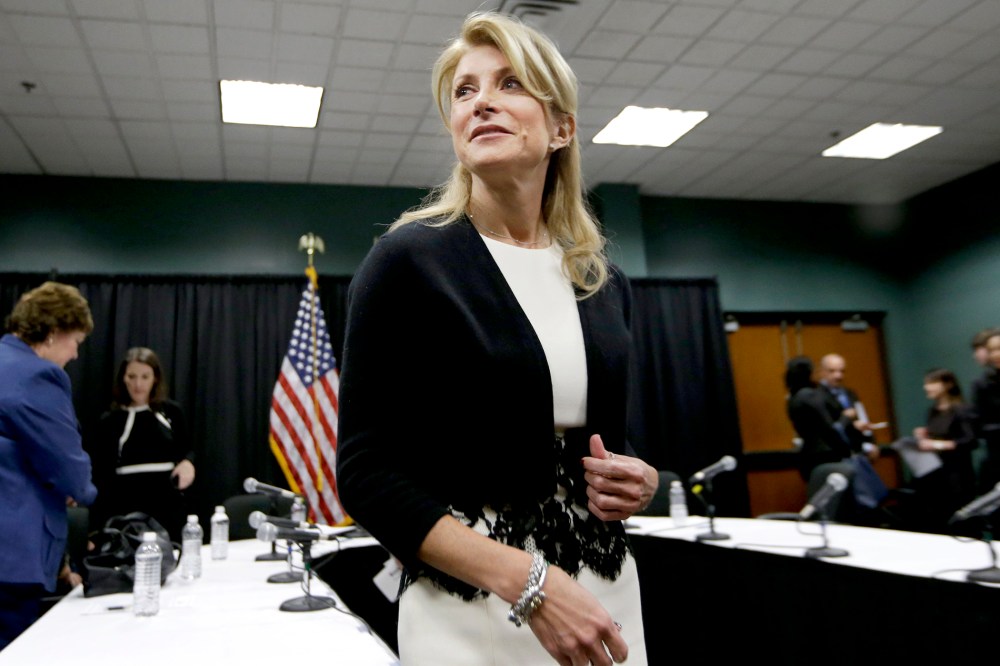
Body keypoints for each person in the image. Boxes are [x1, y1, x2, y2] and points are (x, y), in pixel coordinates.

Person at [336, 12, 656, 665]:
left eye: (510, 84)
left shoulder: (603, 282)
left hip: (604, 592)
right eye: (464, 91)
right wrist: (530, 584)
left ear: (561, 128)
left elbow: (603, 443)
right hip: (475, 605)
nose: (481, 100)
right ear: (455, 130)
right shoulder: (406, 262)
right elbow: (366, 475)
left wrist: (639, 479)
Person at [0, 282, 97, 650]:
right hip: (11, 554)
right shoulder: (37, 375)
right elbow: (69, 468)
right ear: (54, 333)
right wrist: (80, 491)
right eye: (76, 341)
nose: (74, 354)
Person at [88, 347, 195, 542]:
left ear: (155, 378)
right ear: (123, 378)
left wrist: (188, 463)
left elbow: (187, 450)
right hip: (125, 508)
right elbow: (100, 474)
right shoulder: (110, 420)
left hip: (167, 505)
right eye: (132, 376)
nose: (138, 384)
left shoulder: (172, 412)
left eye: (145, 377)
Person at [894, 369, 977, 534]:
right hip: (935, 476)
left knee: (959, 525)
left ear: (947, 385)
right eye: (926, 383)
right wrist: (925, 434)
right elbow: (940, 435)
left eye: (931, 383)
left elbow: (969, 441)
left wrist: (936, 444)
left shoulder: (961, 410)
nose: (926, 387)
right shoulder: (932, 411)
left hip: (956, 478)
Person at [816, 353, 880, 463]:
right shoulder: (817, 396)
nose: (838, 376)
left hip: (858, 451)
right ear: (822, 372)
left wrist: (871, 443)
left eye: (841, 371)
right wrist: (847, 420)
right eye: (832, 371)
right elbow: (826, 429)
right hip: (835, 455)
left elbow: (862, 418)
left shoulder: (849, 393)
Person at [971, 331, 1000, 494]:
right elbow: (978, 427)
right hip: (996, 457)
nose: (996, 354)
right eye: (991, 350)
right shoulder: (981, 384)